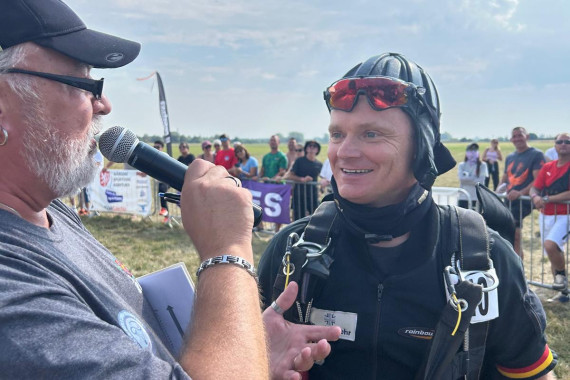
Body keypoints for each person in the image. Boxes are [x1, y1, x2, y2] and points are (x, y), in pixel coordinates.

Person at [0, 1, 341, 378]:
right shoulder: (10, 288)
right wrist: (226, 251)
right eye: (85, 85)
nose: (105, 105)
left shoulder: (45, 211)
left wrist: (244, 347)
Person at [258, 52, 556, 379]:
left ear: (422, 149)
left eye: (371, 134)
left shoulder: (484, 258)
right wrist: (255, 367)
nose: (344, 152)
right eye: (338, 134)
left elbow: (534, 374)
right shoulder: (291, 250)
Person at [530, 133, 570, 303]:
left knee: (550, 244)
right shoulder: (547, 167)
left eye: (567, 142)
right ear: (554, 146)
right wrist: (535, 197)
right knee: (552, 251)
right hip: (545, 216)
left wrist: (546, 199)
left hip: (565, 215)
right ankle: (563, 292)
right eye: (559, 141)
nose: (563, 144)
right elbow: (535, 188)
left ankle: (561, 277)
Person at [497, 127, 545, 258]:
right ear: (511, 139)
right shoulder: (511, 156)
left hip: (524, 200)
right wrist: (496, 193)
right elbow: (505, 178)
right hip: (509, 199)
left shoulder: (536, 154)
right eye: (514, 136)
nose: (517, 138)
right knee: (507, 235)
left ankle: (519, 269)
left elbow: (538, 180)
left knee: (515, 235)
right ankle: (512, 264)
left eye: (520, 135)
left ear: (527, 136)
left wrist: (521, 193)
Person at [284, 140, 323, 220]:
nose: (312, 148)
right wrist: (302, 179)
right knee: (298, 218)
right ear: (306, 149)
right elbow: (290, 176)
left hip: (313, 195)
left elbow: (323, 177)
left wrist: (322, 186)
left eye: (314, 146)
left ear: (317, 150)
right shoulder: (299, 161)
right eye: (309, 146)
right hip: (299, 195)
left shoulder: (319, 164)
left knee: (315, 217)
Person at [457, 143, 488, 209]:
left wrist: (467, 179)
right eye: (470, 150)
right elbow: (461, 180)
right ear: (466, 152)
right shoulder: (461, 165)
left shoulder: (482, 165)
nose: (473, 153)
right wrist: (474, 178)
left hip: (476, 198)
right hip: (463, 197)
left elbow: (480, 182)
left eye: (475, 150)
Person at [153, 140, 170, 218]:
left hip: (167, 179)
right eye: (154, 147)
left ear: (162, 148)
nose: (156, 148)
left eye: (158, 147)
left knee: (162, 191)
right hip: (160, 180)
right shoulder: (153, 155)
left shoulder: (164, 155)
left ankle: (164, 209)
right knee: (161, 194)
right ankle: (166, 216)